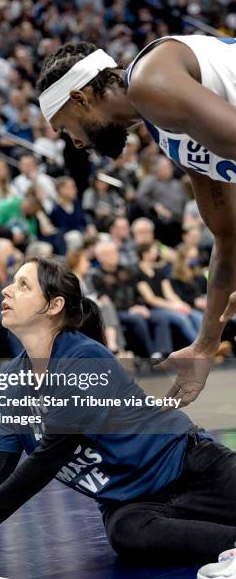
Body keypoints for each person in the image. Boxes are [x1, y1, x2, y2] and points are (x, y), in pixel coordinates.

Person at [0, 256, 236, 573]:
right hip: (132, 504)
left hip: (193, 468)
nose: (6, 290)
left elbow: (53, 453)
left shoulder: (84, 357)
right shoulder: (8, 382)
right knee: (127, 535)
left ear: (54, 304)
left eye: (22, 285)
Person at [35, 38, 236, 405]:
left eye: (66, 128)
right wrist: (205, 345)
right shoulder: (167, 130)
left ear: (81, 97)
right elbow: (228, 236)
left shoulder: (150, 79)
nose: (76, 144)